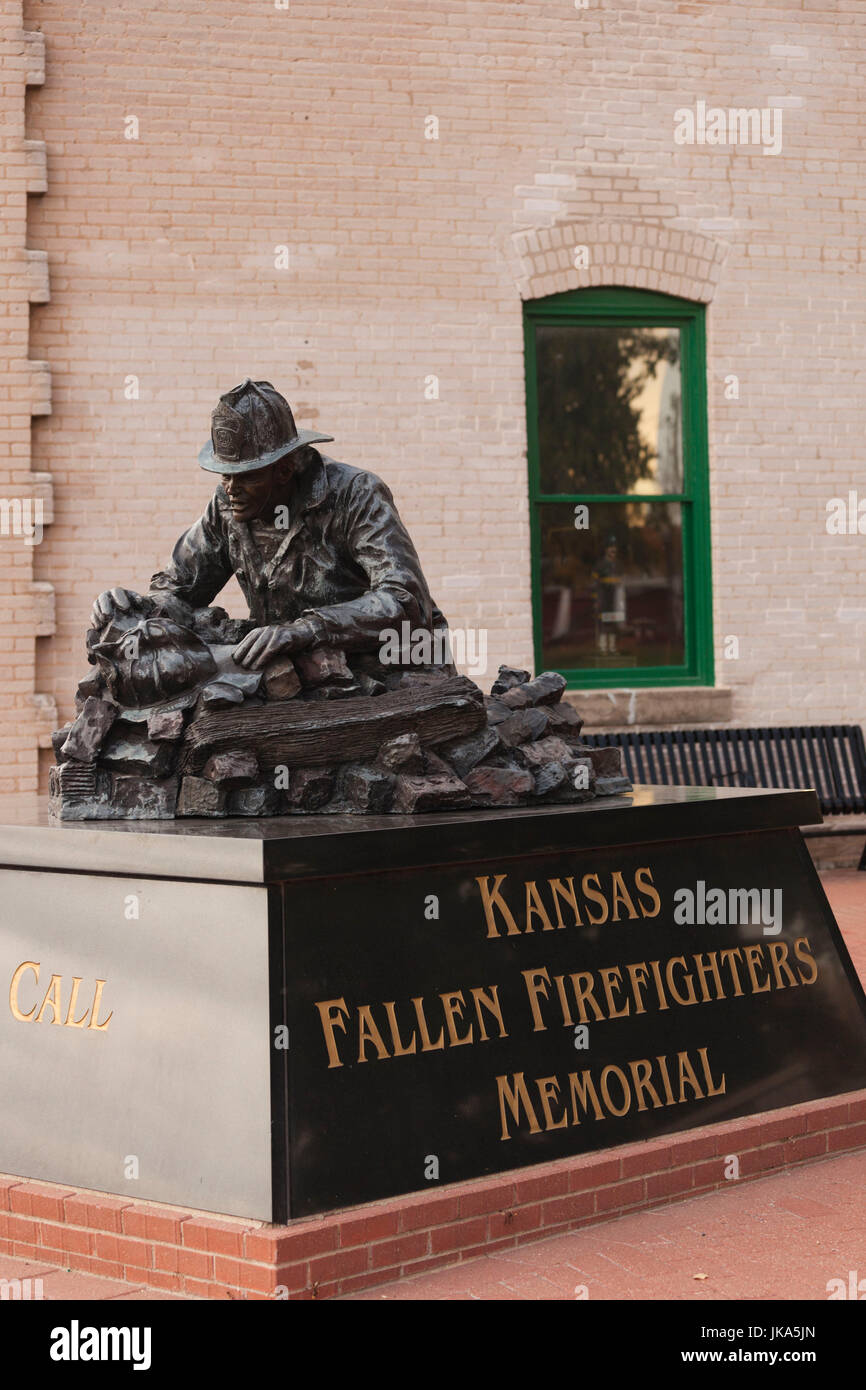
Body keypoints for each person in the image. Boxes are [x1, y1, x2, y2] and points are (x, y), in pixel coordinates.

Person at [89, 379, 444, 674]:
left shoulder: (356, 495)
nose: (231, 488)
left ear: (284, 470)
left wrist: (307, 629)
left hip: (389, 668)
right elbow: (180, 589)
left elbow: (406, 601)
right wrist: (135, 608)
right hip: (298, 674)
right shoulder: (228, 505)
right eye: (226, 475)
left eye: (246, 477)